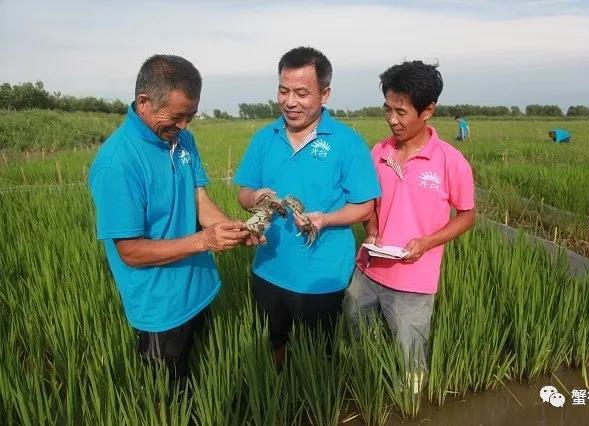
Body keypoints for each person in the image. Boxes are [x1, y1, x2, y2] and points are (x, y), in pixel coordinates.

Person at [89, 54, 254, 385]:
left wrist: (233, 229)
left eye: (190, 117)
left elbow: (199, 200)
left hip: (199, 288)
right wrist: (204, 240)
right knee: (171, 397)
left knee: (205, 378)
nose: (183, 126)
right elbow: (131, 252)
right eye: (177, 116)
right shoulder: (118, 163)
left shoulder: (182, 140)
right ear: (145, 102)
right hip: (159, 308)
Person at [233, 46, 380, 366]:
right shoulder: (264, 138)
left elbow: (364, 207)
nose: (290, 101)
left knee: (320, 355)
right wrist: (257, 198)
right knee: (272, 344)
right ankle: (277, 391)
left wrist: (325, 219)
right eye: (284, 91)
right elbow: (242, 193)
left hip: (323, 278)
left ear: (324, 94)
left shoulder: (347, 142)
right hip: (268, 270)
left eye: (301, 93)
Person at [343, 60, 476, 391]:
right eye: (387, 109)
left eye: (401, 112)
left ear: (428, 110)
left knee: (410, 359)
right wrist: (371, 229)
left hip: (414, 282)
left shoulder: (450, 161)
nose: (392, 119)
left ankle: (411, 408)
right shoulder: (379, 151)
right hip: (368, 269)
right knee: (359, 342)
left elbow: (467, 215)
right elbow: (369, 201)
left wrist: (427, 242)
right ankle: (367, 390)